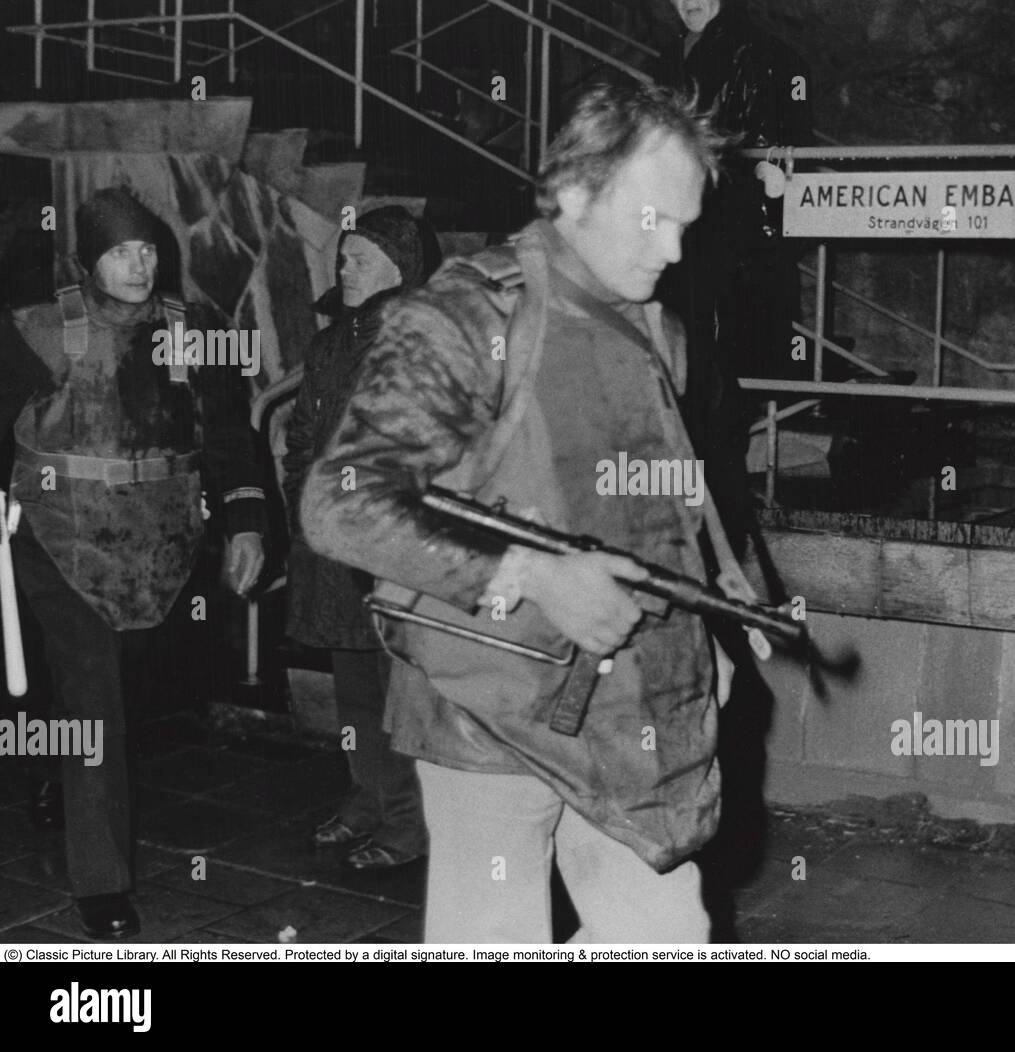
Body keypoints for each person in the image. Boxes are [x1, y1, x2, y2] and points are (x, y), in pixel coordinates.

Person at [300, 81, 745, 942]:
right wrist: (528, 574)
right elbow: (340, 502)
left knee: (663, 938)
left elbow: (666, 503)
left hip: (621, 707)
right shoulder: (467, 315)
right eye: (653, 219)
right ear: (573, 193)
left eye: (686, 224)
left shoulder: (657, 330)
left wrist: (707, 622)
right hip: (484, 708)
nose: (674, 248)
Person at [0, 187, 267, 938]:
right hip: (59, 537)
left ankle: (55, 765)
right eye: (120, 252)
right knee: (95, 698)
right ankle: (102, 884)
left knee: (122, 690)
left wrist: (246, 521)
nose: (138, 265)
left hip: (160, 545)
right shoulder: (34, 328)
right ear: (88, 261)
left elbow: (230, 435)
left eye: (148, 249)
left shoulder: (198, 331)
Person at [281, 206, 434, 871]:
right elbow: (301, 441)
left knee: (400, 689)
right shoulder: (329, 345)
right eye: (343, 258)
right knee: (354, 689)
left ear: (401, 270)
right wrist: (305, 509)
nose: (344, 269)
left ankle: (408, 822)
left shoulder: (422, 342)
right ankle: (366, 796)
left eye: (361, 260)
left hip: (392, 547)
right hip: (333, 545)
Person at [653, 0, 807, 552]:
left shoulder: (756, 52)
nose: (690, 0)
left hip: (720, 235)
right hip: (689, 230)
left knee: (714, 373)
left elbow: (767, 144)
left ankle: (716, 516)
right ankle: (703, 511)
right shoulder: (672, 54)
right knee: (693, 368)